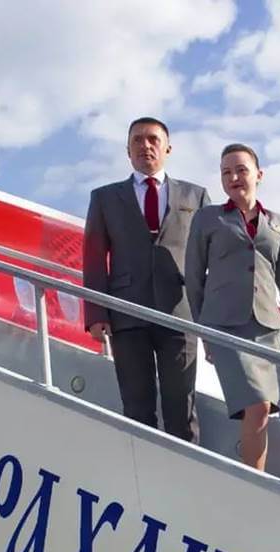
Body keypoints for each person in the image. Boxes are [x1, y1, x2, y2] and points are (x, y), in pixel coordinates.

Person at [185, 143, 280, 471]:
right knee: (258, 405)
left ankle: (252, 474)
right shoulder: (208, 218)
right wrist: (204, 333)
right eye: (226, 172)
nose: (234, 177)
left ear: (258, 175)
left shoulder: (279, 224)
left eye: (241, 170)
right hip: (224, 327)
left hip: (266, 331)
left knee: (262, 411)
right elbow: (193, 279)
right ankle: (254, 478)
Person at [82, 117, 210, 442]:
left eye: (153, 139)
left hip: (180, 315)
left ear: (167, 148)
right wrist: (96, 314)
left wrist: (211, 315)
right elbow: (95, 258)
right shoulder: (105, 198)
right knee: (137, 410)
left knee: (181, 408)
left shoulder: (196, 196)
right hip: (127, 315)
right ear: (127, 150)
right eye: (137, 140)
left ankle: (186, 479)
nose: (145, 145)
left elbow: (210, 258)